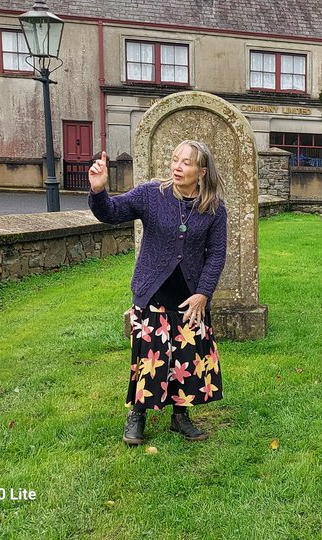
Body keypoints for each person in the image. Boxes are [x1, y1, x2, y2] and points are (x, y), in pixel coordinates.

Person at [87, 141, 228, 445]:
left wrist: (203, 293)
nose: (178, 167)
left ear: (201, 171)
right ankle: (137, 415)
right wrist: (99, 191)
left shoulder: (214, 208)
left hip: (189, 296)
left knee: (186, 359)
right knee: (150, 358)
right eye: (175, 160)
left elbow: (216, 254)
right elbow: (111, 212)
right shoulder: (152, 194)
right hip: (153, 292)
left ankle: (180, 417)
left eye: (186, 162)